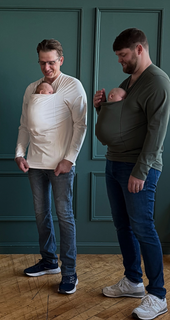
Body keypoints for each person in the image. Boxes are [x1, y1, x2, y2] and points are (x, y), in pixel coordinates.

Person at [94, 28, 170, 320]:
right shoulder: (130, 80)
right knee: (123, 226)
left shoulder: (158, 82)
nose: (120, 61)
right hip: (114, 162)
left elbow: (156, 133)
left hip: (138, 168)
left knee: (143, 227)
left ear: (139, 49)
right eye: (118, 56)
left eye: (123, 55)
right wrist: (103, 108)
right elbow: (123, 121)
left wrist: (140, 171)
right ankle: (133, 281)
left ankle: (158, 295)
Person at [15, 39, 87, 294]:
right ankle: (48, 261)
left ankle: (69, 273)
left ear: (61, 60)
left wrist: (70, 158)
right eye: (42, 62)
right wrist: (19, 152)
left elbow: (81, 125)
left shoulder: (72, 86)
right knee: (40, 214)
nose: (47, 67)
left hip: (61, 165)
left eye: (52, 62)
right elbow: (24, 124)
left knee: (64, 217)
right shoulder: (31, 88)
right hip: (34, 163)